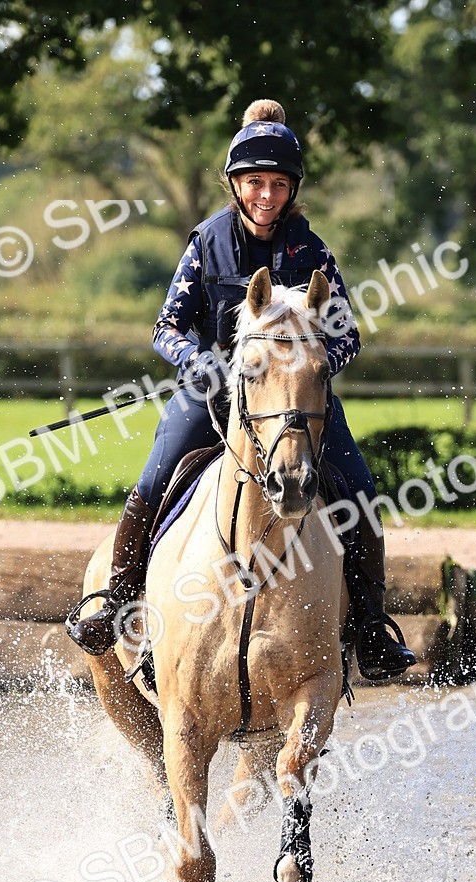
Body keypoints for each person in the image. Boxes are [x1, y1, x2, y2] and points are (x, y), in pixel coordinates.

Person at [67, 99, 416, 680]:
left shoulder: (313, 252)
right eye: (255, 182)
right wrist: (199, 362)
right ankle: (117, 602)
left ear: (292, 188)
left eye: (279, 184)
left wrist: (315, 360)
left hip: (295, 402)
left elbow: (348, 333)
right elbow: (166, 328)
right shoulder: (205, 243)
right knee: (156, 477)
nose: (266, 195)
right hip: (212, 397)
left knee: (358, 487)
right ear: (235, 183)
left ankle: (372, 629)